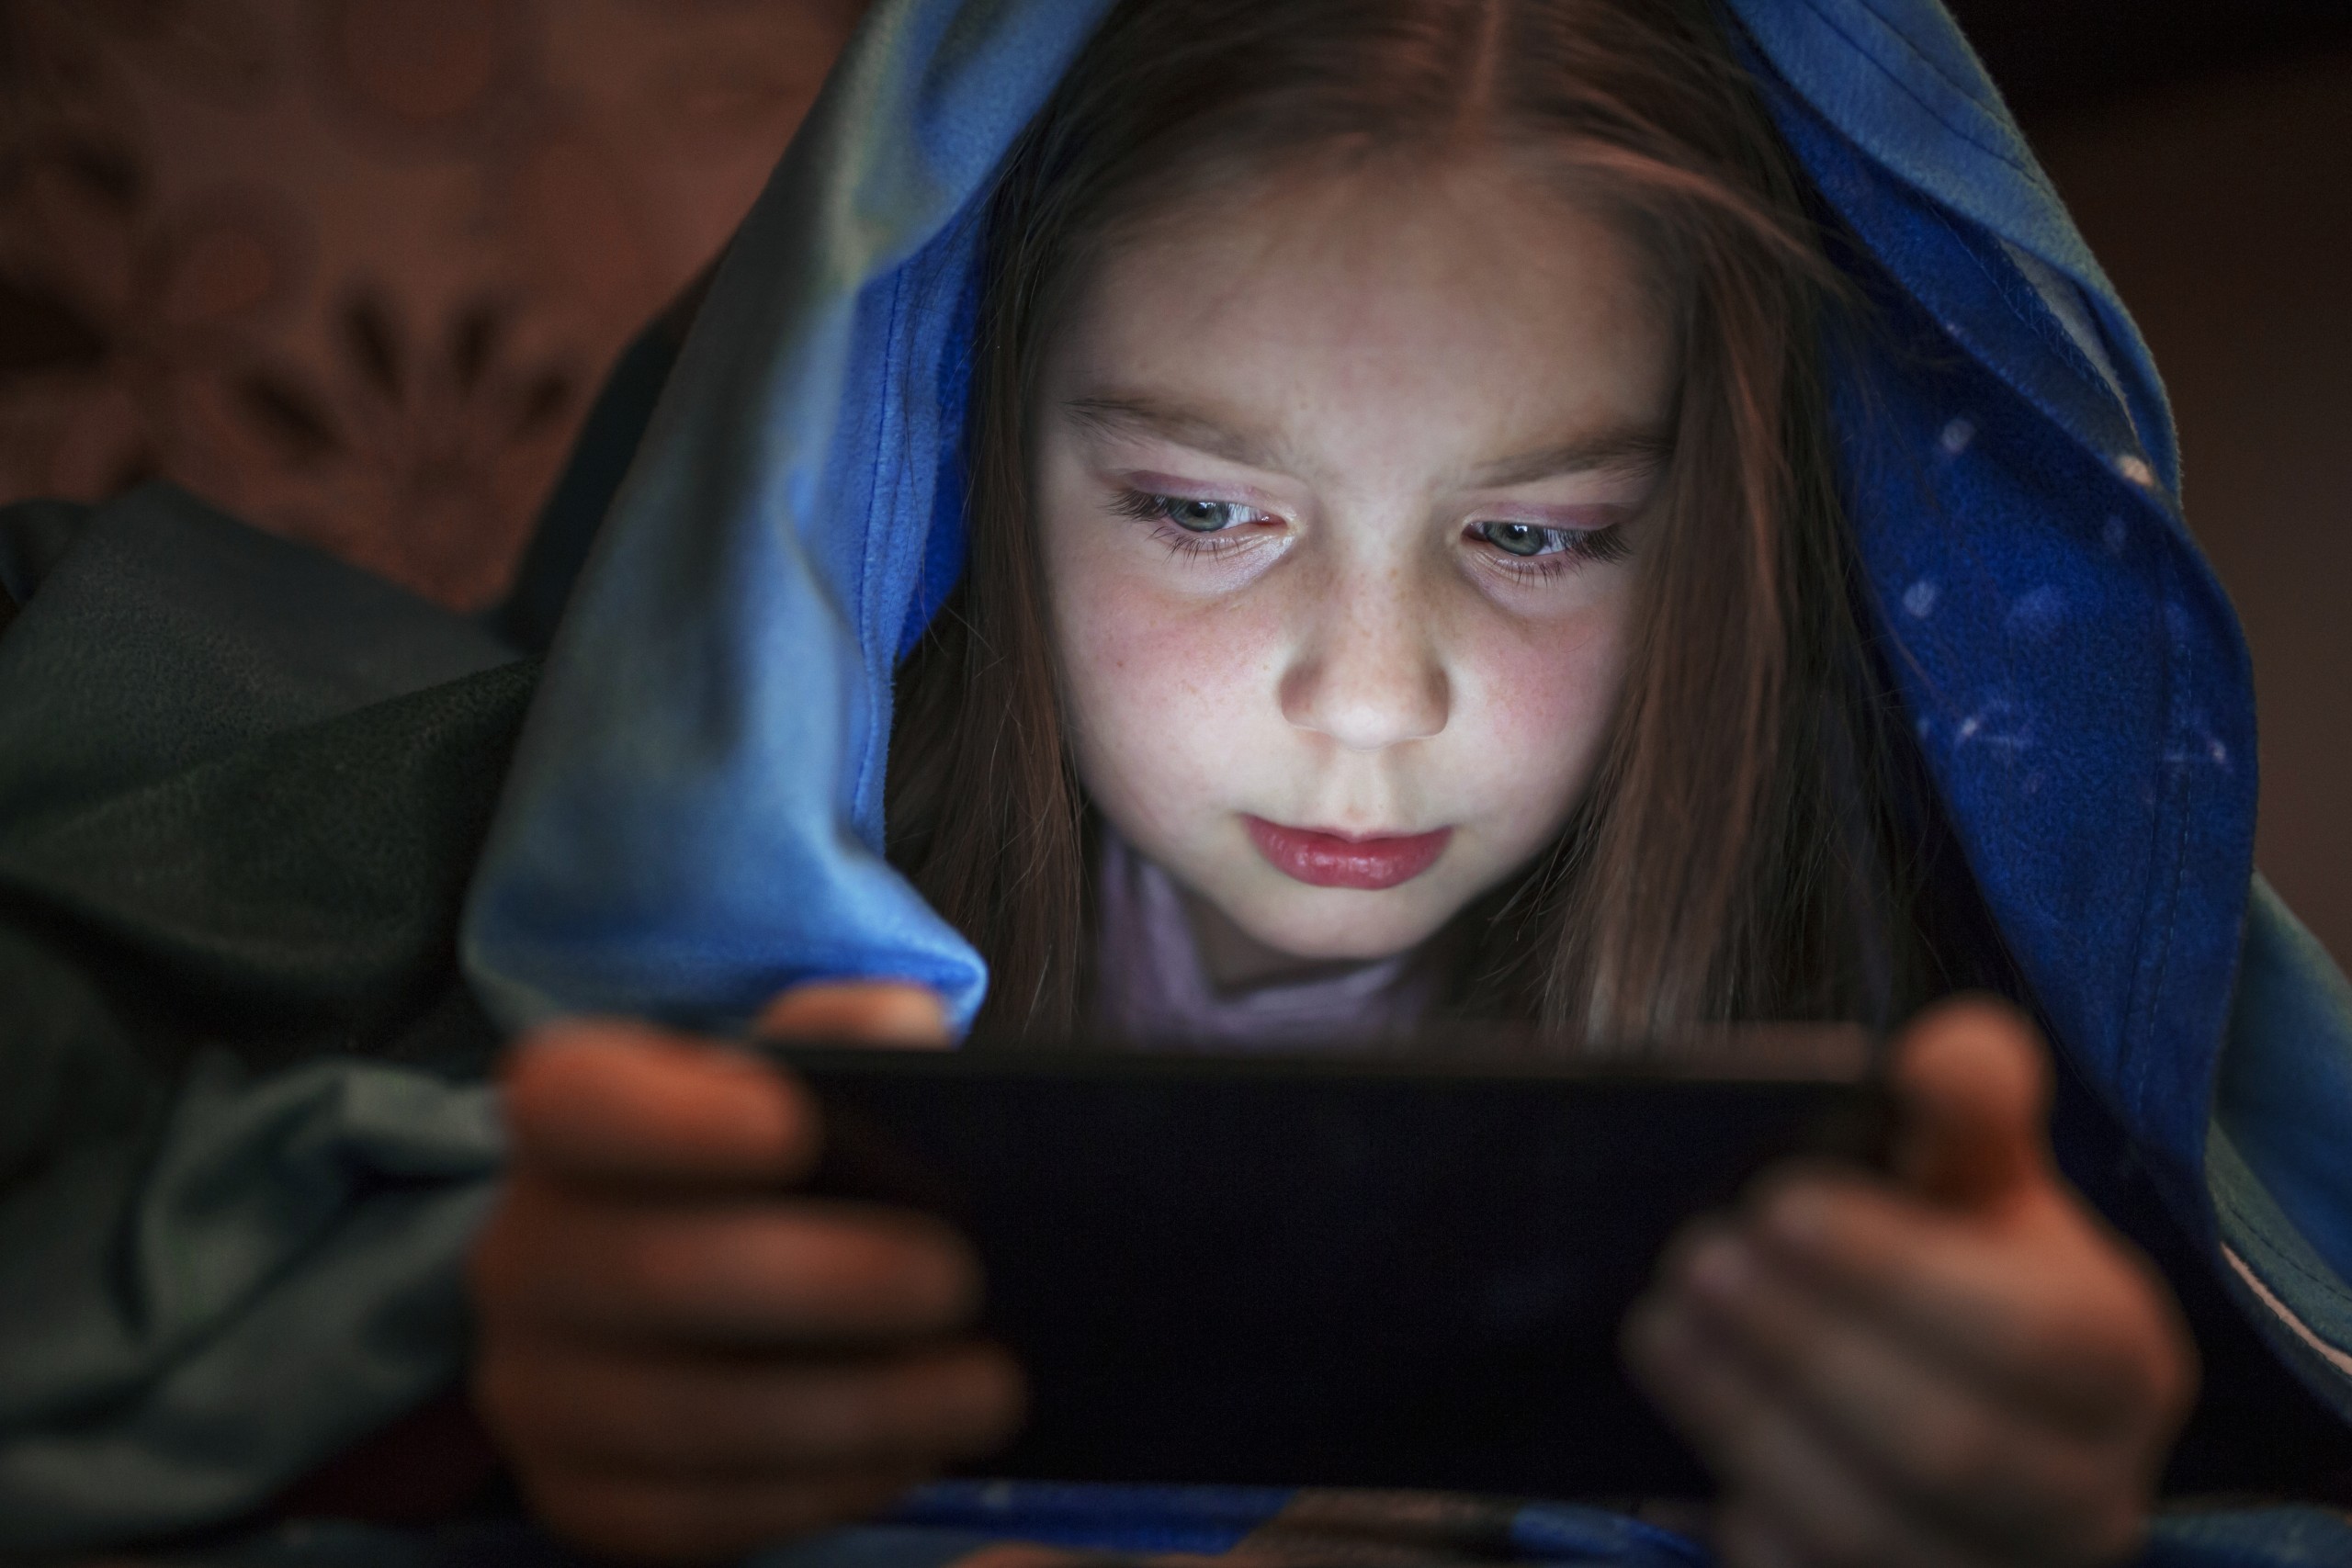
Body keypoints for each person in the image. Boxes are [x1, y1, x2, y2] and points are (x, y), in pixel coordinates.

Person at [5, 1, 2351, 1565]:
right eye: (1201, 508)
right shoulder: (727, 958)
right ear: (938, 456)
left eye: (1534, 534)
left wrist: (2076, 1483)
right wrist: (474, 1403)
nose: (1364, 698)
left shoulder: (1898, 1005)